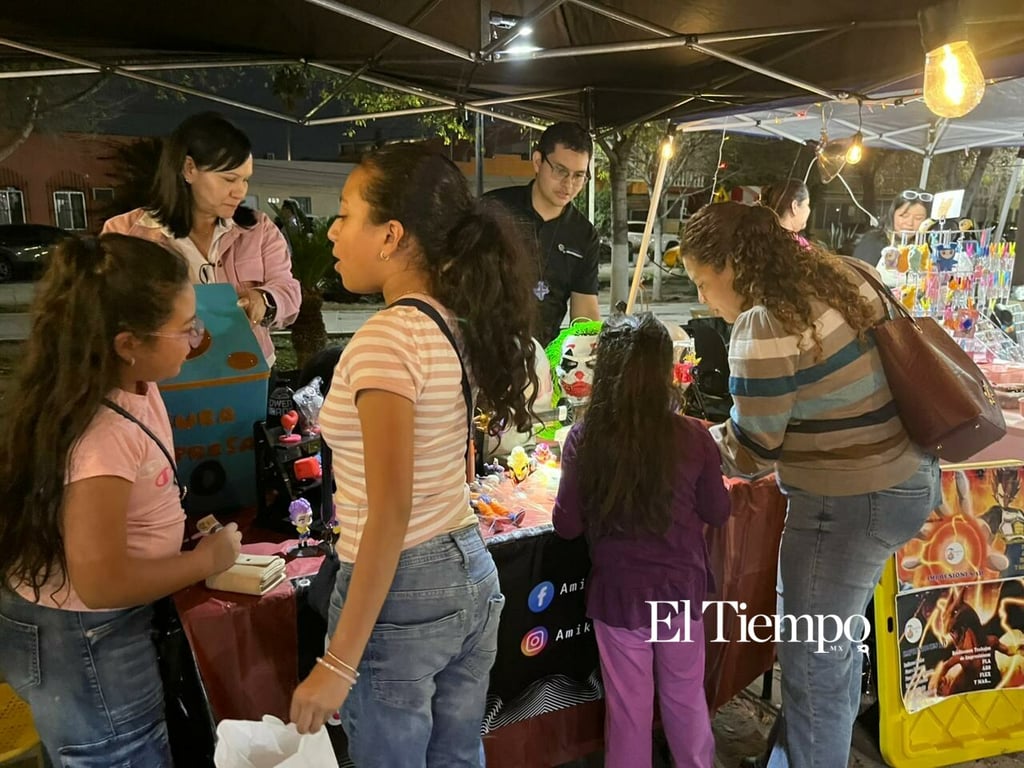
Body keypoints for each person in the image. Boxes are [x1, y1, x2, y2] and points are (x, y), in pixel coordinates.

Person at [288, 143, 539, 768]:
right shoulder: (446, 324)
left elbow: (391, 512)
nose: (333, 230)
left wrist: (336, 664)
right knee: (458, 757)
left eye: (346, 214)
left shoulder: (384, 340)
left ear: (390, 235)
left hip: (404, 587)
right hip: (467, 570)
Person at [679, 202, 941, 768]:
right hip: (907, 479)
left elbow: (753, 452)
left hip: (846, 503)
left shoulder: (765, 322)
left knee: (811, 661)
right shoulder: (839, 271)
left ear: (732, 266)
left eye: (703, 282)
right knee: (835, 647)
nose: (704, 298)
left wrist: (685, 441)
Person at [0, 234, 243, 764]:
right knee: (118, 754)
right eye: (184, 330)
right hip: (84, 639)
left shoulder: (135, 383)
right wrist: (204, 560)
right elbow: (101, 580)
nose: (196, 340)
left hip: (91, 628)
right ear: (127, 342)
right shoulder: (101, 435)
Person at [552, 313, 730, 768]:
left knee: (629, 713)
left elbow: (566, 525)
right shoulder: (694, 436)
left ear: (605, 370)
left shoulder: (584, 438)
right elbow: (718, 511)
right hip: (679, 595)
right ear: (664, 370)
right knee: (685, 702)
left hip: (619, 598)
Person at [103, 111, 301, 367]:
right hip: (164, 377)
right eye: (229, 179)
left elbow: (288, 289)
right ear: (189, 169)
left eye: (245, 180)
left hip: (248, 369)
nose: (240, 191)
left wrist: (264, 300)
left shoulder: (258, 228)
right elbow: (107, 311)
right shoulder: (126, 233)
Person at [486, 121, 601, 347]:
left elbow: (585, 315)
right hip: (485, 348)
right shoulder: (494, 209)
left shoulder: (584, 235)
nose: (568, 185)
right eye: (560, 171)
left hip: (543, 357)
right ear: (538, 161)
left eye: (579, 176)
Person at [851, 188, 933, 265]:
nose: (909, 223)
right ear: (892, 214)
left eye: (918, 218)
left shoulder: (928, 247)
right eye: (903, 216)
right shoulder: (873, 243)